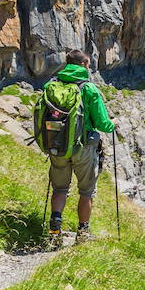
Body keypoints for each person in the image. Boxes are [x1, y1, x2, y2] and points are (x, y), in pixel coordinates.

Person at [47, 49, 115, 243]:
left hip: (57, 145)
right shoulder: (88, 89)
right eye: (88, 64)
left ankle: (55, 229)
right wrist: (113, 123)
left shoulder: (51, 85)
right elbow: (103, 124)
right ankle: (83, 233)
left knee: (60, 189)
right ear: (84, 65)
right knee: (86, 192)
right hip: (84, 147)